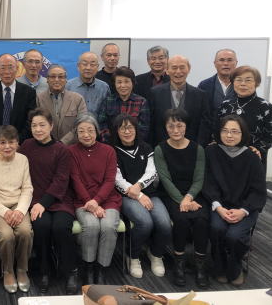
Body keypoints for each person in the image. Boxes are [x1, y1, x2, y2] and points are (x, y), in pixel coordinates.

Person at [18, 108, 78, 295]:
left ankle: (70, 271)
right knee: (41, 226)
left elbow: (61, 181)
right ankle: (44, 270)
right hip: (35, 199)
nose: (38, 129)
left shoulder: (62, 150)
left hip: (59, 199)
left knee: (61, 227)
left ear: (51, 126)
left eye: (42, 125)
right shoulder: (26, 146)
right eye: (34, 125)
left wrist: (43, 203)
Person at [204, 115, 267, 286]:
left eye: (234, 131)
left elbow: (258, 191)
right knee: (217, 228)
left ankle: (235, 267)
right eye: (225, 131)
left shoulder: (252, 157)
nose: (229, 135)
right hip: (219, 205)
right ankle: (219, 266)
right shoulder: (211, 152)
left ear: (242, 133)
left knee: (234, 236)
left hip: (245, 208)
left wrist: (243, 211)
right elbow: (208, 182)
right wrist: (218, 207)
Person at [154, 108, 209, 288]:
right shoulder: (160, 149)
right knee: (181, 219)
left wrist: (189, 198)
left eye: (180, 125)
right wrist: (182, 200)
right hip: (171, 194)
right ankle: (179, 264)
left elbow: (199, 178)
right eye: (171, 126)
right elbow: (165, 179)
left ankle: (200, 266)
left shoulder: (198, 149)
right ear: (165, 127)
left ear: (186, 126)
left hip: (194, 194)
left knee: (202, 220)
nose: (175, 130)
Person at [112, 114, 171, 279]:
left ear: (136, 129)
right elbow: (117, 179)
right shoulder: (112, 151)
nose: (127, 132)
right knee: (145, 223)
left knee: (165, 224)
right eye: (122, 128)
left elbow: (152, 172)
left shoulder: (146, 147)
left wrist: (139, 187)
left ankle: (156, 254)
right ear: (116, 131)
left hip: (148, 193)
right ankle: (133, 255)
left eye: (130, 127)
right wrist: (138, 195)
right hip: (126, 196)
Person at [69, 114, 121, 285]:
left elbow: (110, 180)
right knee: (91, 226)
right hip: (82, 200)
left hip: (108, 199)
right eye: (81, 131)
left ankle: (102, 268)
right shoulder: (71, 152)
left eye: (90, 130)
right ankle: (89, 267)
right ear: (76, 133)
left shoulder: (109, 151)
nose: (86, 135)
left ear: (97, 132)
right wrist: (91, 203)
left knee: (108, 226)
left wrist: (97, 201)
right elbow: (75, 180)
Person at [0, 125, 33, 293]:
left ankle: (22, 269)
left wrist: (20, 210)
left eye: (11, 142)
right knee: (6, 236)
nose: (7, 146)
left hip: (18, 205)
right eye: (3, 142)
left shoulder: (23, 159)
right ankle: (8, 271)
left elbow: (27, 188)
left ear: (17, 143)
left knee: (25, 232)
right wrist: (5, 212)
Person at [0, 53, 37, 154]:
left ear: (17, 69)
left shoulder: (29, 92)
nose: (7, 72)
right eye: (3, 68)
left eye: (10, 67)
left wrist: (16, 143)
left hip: (21, 147)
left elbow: (30, 121)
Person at [217, 66, 272, 169]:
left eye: (248, 80)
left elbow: (269, 135)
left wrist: (258, 148)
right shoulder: (225, 104)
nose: (243, 84)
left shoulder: (265, 106)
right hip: (226, 157)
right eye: (238, 80)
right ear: (233, 83)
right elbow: (217, 129)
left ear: (256, 83)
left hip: (253, 157)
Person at [150, 55, 211, 146]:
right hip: (162, 147)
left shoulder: (200, 95)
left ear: (189, 69)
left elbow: (205, 125)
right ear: (167, 70)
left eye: (182, 67)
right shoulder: (155, 93)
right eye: (174, 68)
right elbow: (152, 123)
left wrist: (198, 147)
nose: (178, 71)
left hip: (192, 147)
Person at [36, 64, 87, 145]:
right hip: (46, 145)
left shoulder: (78, 99)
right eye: (53, 77)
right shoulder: (39, 99)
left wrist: (63, 142)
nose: (57, 80)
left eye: (60, 77)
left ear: (66, 80)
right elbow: (37, 124)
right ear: (47, 79)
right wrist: (50, 142)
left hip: (71, 146)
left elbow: (82, 124)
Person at [96, 66, 150, 143]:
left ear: (133, 83)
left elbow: (144, 129)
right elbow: (101, 125)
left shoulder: (142, 102)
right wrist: (110, 141)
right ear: (114, 84)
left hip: (134, 144)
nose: (123, 86)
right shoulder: (108, 101)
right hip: (111, 144)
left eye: (126, 82)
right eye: (119, 82)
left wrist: (130, 142)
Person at [66, 51, 110, 116]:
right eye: (84, 64)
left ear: (97, 67)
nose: (88, 68)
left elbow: (106, 112)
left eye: (92, 65)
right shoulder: (68, 86)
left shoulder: (104, 87)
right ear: (78, 66)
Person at [198, 49, 237, 116]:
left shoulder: (243, 84)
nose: (226, 63)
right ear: (215, 63)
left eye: (230, 60)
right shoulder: (204, 85)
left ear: (236, 63)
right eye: (221, 60)